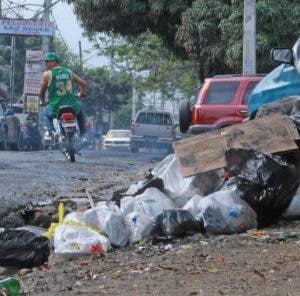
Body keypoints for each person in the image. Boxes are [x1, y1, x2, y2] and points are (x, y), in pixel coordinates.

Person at [38, 52, 87, 140]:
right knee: (80, 110)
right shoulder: (69, 72)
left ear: (54, 62)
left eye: (47, 61)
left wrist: (43, 101)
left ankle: (52, 132)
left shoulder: (47, 74)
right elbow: (83, 84)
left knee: (45, 114)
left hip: (56, 107)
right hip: (72, 106)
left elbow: (41, 93)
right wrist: (81, 93)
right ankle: (83, 134)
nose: (45, 64)